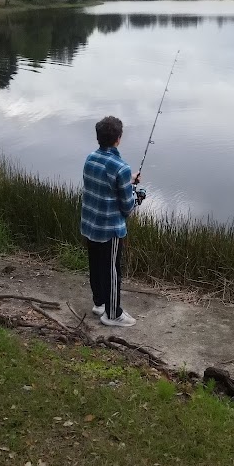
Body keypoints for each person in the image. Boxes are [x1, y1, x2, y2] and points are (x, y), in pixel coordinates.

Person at [81, 116, 145, 327]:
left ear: (99, 137)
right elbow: (127, 207)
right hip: (110, 229)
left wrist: (128, 181)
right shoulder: (121, 167)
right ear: (118, 138)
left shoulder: (90, 158)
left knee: (96, 265)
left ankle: (99, 303)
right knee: (112, 270)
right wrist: (138, 196)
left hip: (91, 224)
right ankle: (113, 313)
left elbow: (103, 183)